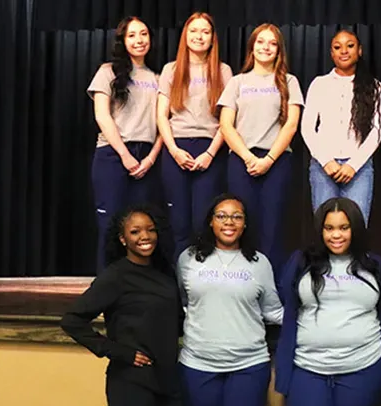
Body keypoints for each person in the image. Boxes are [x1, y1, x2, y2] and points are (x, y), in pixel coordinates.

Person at [61, 205, 187, 406]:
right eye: (135, 232)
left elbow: (176, 321)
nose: (145, 236)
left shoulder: (165, 273)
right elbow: (72, 320)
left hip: (168, 382)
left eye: (150, 230)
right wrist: (119, 352)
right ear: (122, 239)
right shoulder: (115, 276)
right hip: (131, 384)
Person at [275, 197, 381, 406]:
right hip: (308, 373)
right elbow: (288, 305)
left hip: (362, 372)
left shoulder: (376, 266)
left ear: (355, 229)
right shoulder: (300, 262)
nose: (336, 235)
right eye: (329, 228)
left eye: (344, 227)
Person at [175, 193, 283, 406]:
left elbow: (272, 311)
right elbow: (184, 302)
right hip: (198, 367)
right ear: (211, 221)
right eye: (222, 216)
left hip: (248, 368)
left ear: (245, 224)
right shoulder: (188, 258)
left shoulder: (259, 263)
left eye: (237, 217)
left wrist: (316, 316)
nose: (229, 222)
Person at [219, 23, 304, 275]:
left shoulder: (289, 81)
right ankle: (243, 280)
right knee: (242, 224)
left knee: (273, 227)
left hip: (276, 162)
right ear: (252, 47)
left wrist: (268, 159)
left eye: (272, 43)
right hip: (241, 161)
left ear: (279, 50)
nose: (266, 47)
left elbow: (291, 125)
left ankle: (271, 286)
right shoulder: (237, 81)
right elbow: (226, 125)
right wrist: (248, 157)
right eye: (261, 42)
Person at [88, 16, 163, 272]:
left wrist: (150, 158)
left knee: (142, 226)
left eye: (143, 34)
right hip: (112, 154)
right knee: (110, 224)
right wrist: (124, 155)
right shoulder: (107, 71)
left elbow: (164, 123)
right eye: (132, 35)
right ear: (123, 40)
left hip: (147, 158)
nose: (139, 40)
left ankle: (137, 283)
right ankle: (107, 283)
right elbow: (102, 116)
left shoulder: (158, 77)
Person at [157, 12, 233, 259]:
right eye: (194, 31)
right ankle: (178, 278)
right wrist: (174, 151)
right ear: (185, 35)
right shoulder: (171, 70)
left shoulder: (223, 71)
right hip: (176, 150)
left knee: (203, 220)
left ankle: (202, 274)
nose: (199, 36)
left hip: (211, 151)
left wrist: (210, 154)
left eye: (205, 31)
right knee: (178, 222)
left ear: (212, 38)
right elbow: (161, 116)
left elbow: (227, 120)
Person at [301, 30, 381, 226]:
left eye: (350, 46)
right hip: (323, 167)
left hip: (359, 168)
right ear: (331, 53)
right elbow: (307, 127)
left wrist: (353, 165)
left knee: (356, 227)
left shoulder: (374, 86)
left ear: (360, 50)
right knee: (324, 226)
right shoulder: (319, 84)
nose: (344, 51)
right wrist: (326, 161)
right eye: (337, 47)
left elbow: (377, 130)